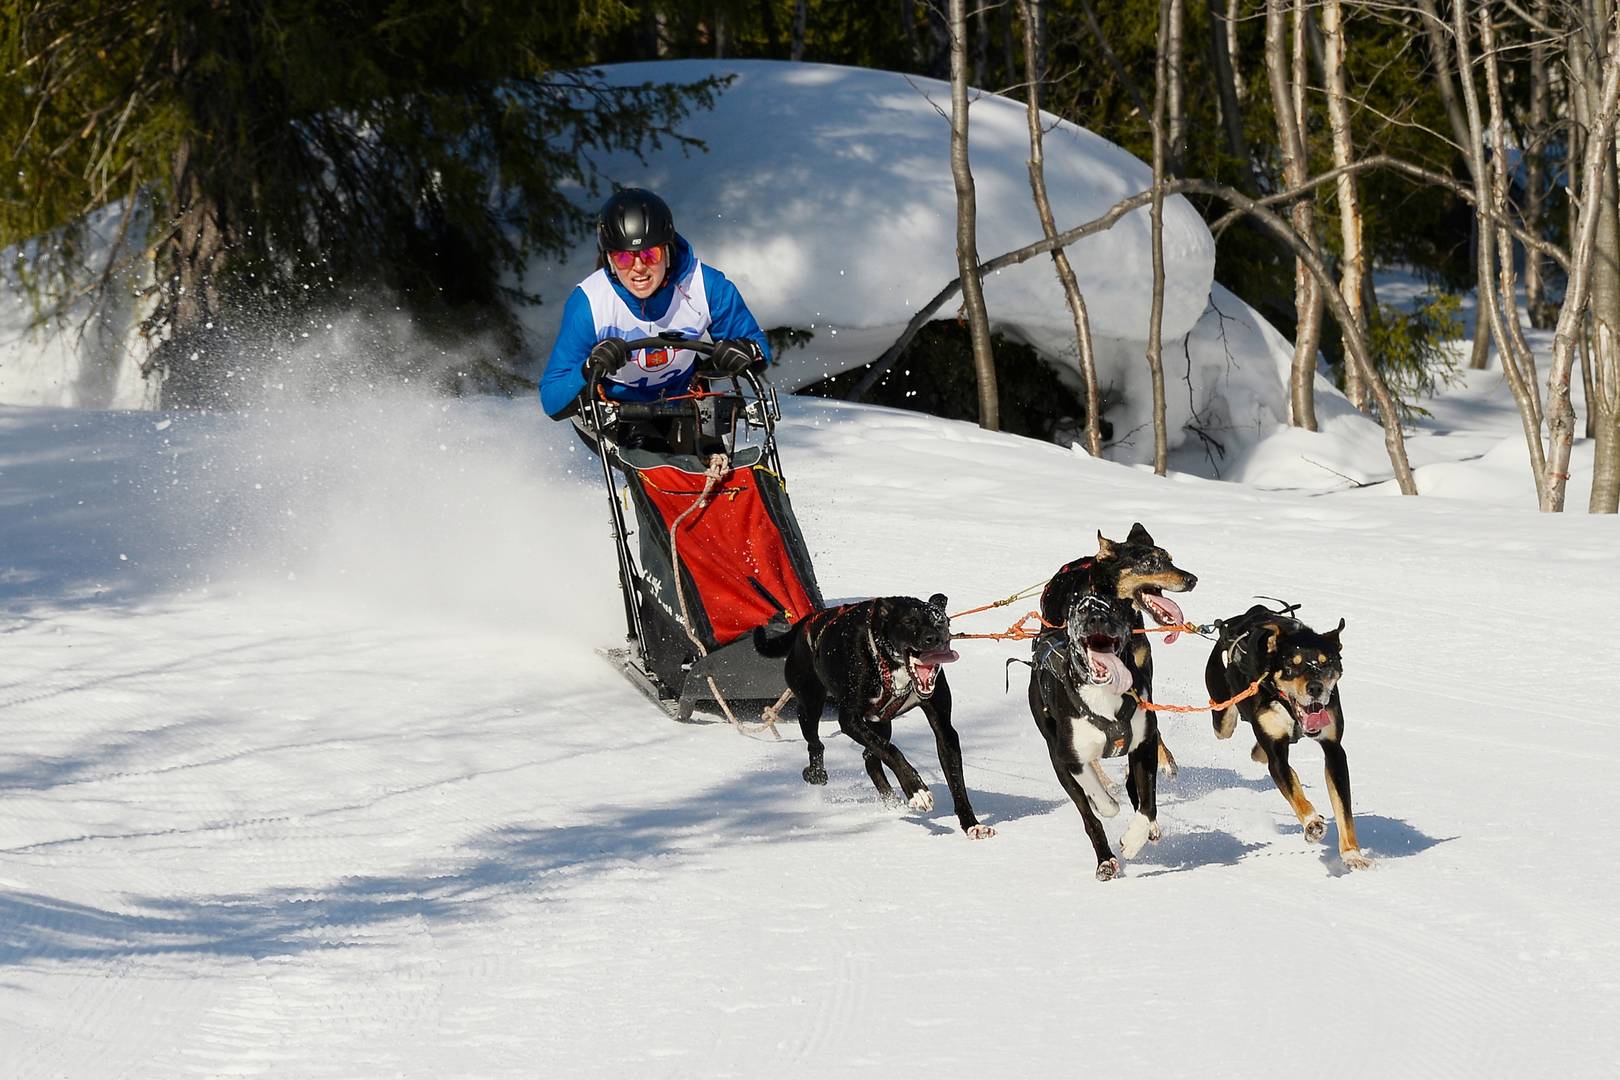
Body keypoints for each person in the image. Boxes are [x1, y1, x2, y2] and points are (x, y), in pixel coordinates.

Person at [539, 188, 771, 447]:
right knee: (648, 454)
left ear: (668, 251)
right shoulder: (590, 302)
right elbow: (552, 399)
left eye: (651, 255)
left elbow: (757, 346)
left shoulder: (707, 286)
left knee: (706, 458)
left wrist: (744, 352)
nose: (638, 268)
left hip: (681, 399)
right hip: (616, 410)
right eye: (624, 257)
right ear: (609, 260)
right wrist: (590, 367)